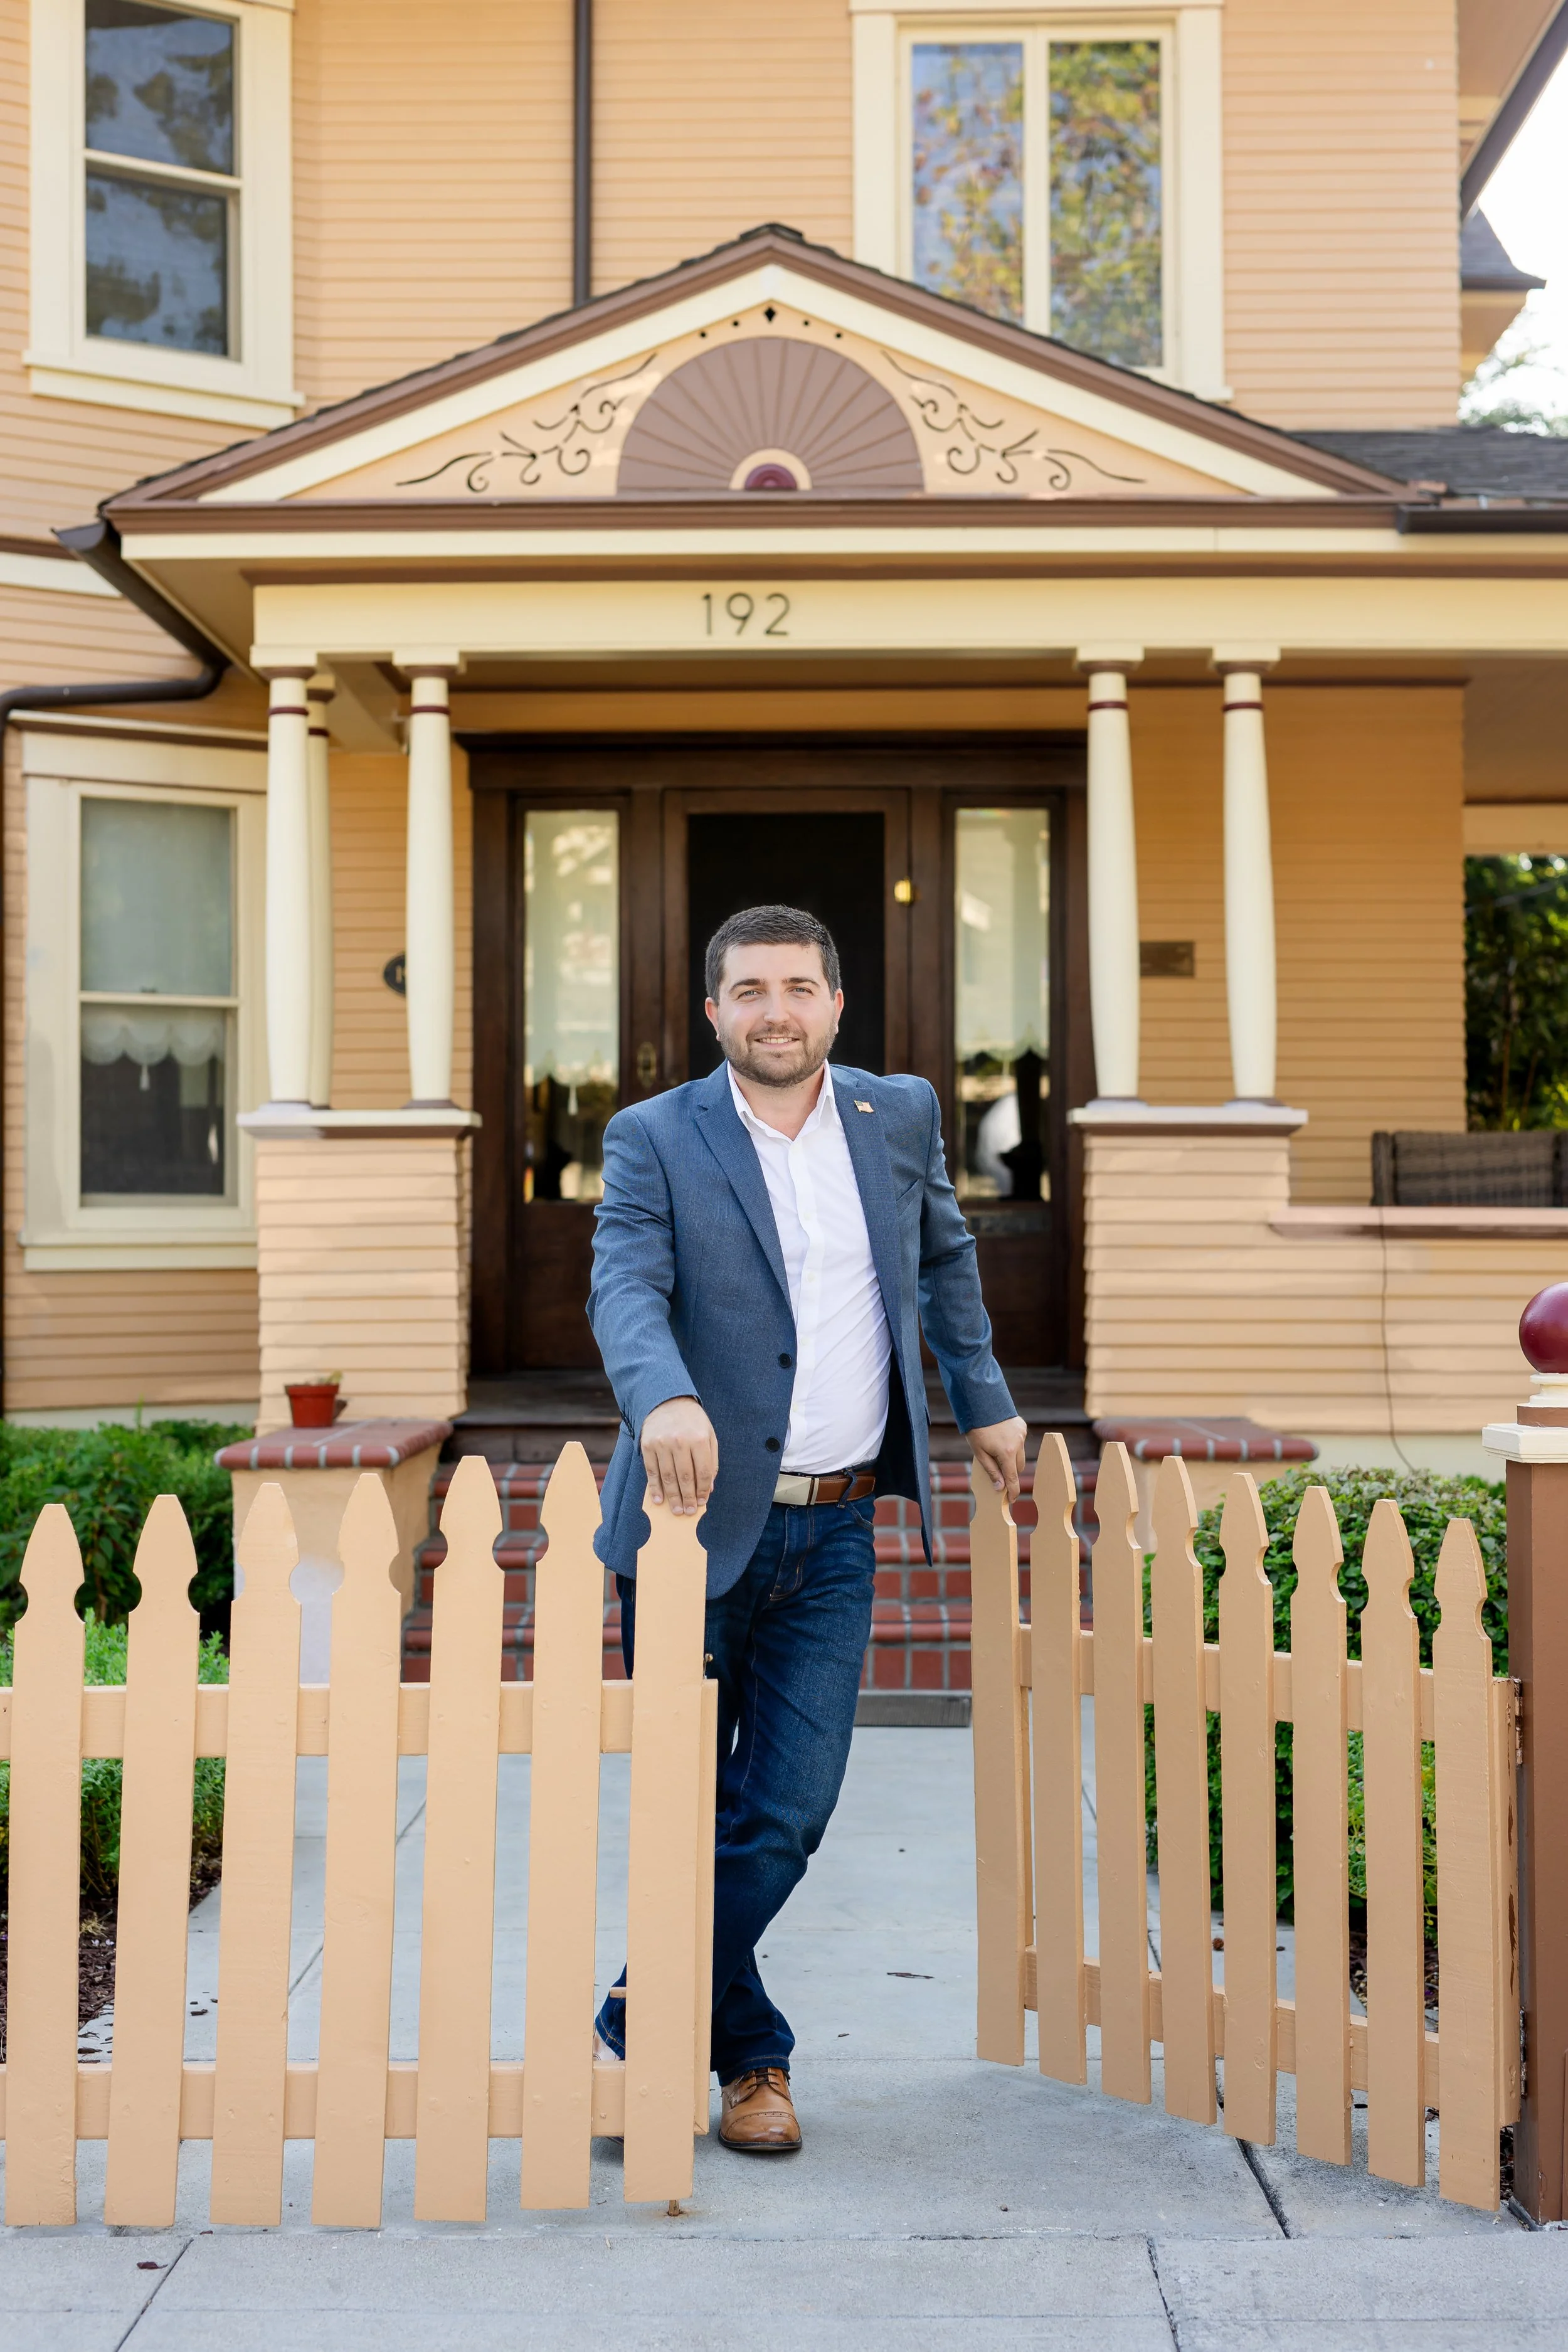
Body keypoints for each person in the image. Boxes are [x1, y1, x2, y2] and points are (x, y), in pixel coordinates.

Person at [586, 903, 1027, 2154]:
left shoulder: (900, 1116)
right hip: (689, 1528)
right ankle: (754, 2061)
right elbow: (624, 1283)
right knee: (688, 1805)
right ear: (714, 1011)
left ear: (834, 1004)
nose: (773, 1011)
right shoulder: (652, 1135)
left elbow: (944, 1262)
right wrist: (662, 1394)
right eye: (748, 991)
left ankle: (636, 2016)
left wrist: (985, 1400)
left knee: (786, 1808)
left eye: (796, 987)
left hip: (836, 1529)